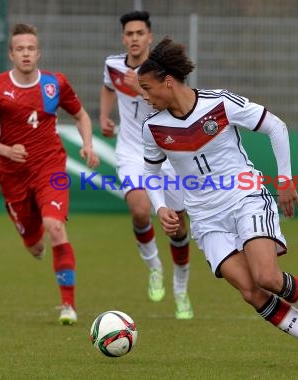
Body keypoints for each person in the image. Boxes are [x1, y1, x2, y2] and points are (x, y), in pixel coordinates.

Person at [139, 37, 298, 370]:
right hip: (205, 218)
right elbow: (150, 171)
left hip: (244, 197)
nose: (143, 96)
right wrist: (160, 206)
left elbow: (276, 126)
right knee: (250, 291)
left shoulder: (219, 104)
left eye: (146, 88)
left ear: (168, 82)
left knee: (267, 277)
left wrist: (285, 179)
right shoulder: (153, 128)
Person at [0, 23, 99, 325]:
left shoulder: (55, 84)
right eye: (20, 49)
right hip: (13, 176)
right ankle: (33, 242)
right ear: (11, 54)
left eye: (31, 48)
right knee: (35, 245)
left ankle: (68, 306)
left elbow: (80, 114)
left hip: (50, 167)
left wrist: (88, 144)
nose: (26, 54)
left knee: (54, 226)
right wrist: (6, 150)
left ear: (38, 52)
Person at [99, 11, 193, 319]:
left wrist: (139, 87)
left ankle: (181, 290)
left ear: (150, 37)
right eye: (130, 33)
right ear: (123, 38)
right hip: (131, 152)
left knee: (178, 227)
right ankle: (154, 266)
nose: (135, 38)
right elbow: (109, 87)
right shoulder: (113, 65)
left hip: (167, 152)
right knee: (140, 209)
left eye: (140, 33)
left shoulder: (161, 70)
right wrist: (104, 117)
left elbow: (174, 101)